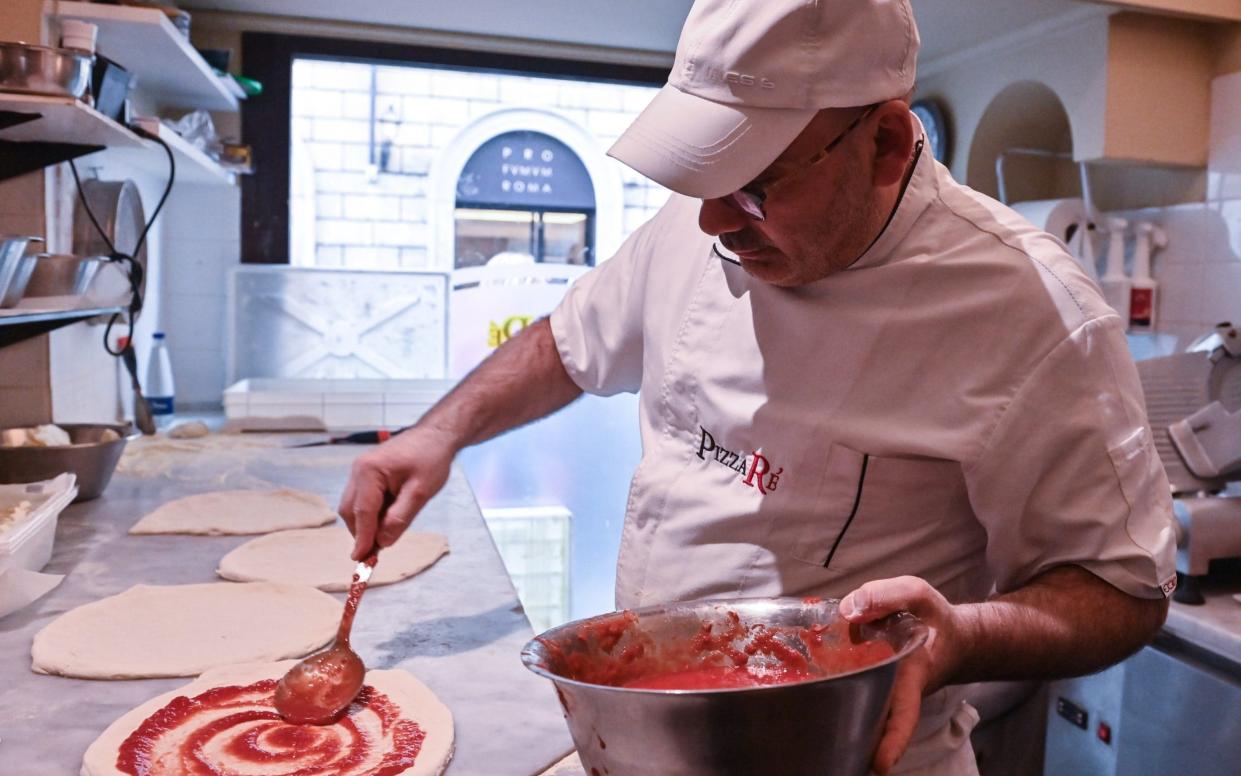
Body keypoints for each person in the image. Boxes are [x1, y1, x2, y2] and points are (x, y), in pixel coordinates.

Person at [339, 1, 1176, 773]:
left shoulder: (1035, 317)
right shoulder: (706, 223)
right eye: (700, 180)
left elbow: (1120, 590)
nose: (711, 221)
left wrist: (961, 635)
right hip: (644, 740)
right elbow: (566, 345)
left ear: (884, 143)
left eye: (754, 184)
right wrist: (436, 433)